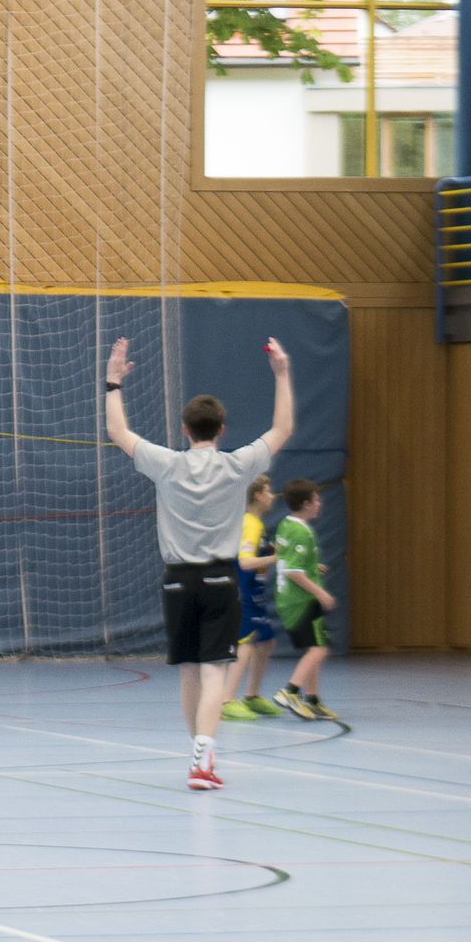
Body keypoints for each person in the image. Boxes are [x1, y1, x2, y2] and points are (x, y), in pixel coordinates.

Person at [104, 335, 294, 790]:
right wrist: (282, 374)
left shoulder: (167, 464)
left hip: (177, 581)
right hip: (220, 580)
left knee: (190, 670)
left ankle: (199, 756)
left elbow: (118, 432)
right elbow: (283, 429)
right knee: (214, 672)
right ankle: (203, 758)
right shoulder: (236, 466)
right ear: (221, 429)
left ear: (185, 429)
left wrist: (113, 383)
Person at [271, 480, 339, 722]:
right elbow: (293, 571)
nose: (320, 503)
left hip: (287, 599)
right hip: (301, 601)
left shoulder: (286, 524)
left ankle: (313, 699)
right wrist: (321, 593)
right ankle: (290, 691)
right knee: (319, 649)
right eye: (316, 499)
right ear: (306, 504)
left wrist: (312, 566)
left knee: (314, 648)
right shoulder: (303, 532)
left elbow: (287, 559)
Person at [223, 475, 283, 721]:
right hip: (244, 592)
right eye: (268, 491)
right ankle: (227, 701)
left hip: (256, 592)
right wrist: (276, 558)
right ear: (258, 496)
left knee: (266, 642)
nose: (272, 496)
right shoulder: (250, 524)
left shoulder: (259, 525)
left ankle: (252, 696)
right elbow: (246, 562)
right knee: (246, 643)